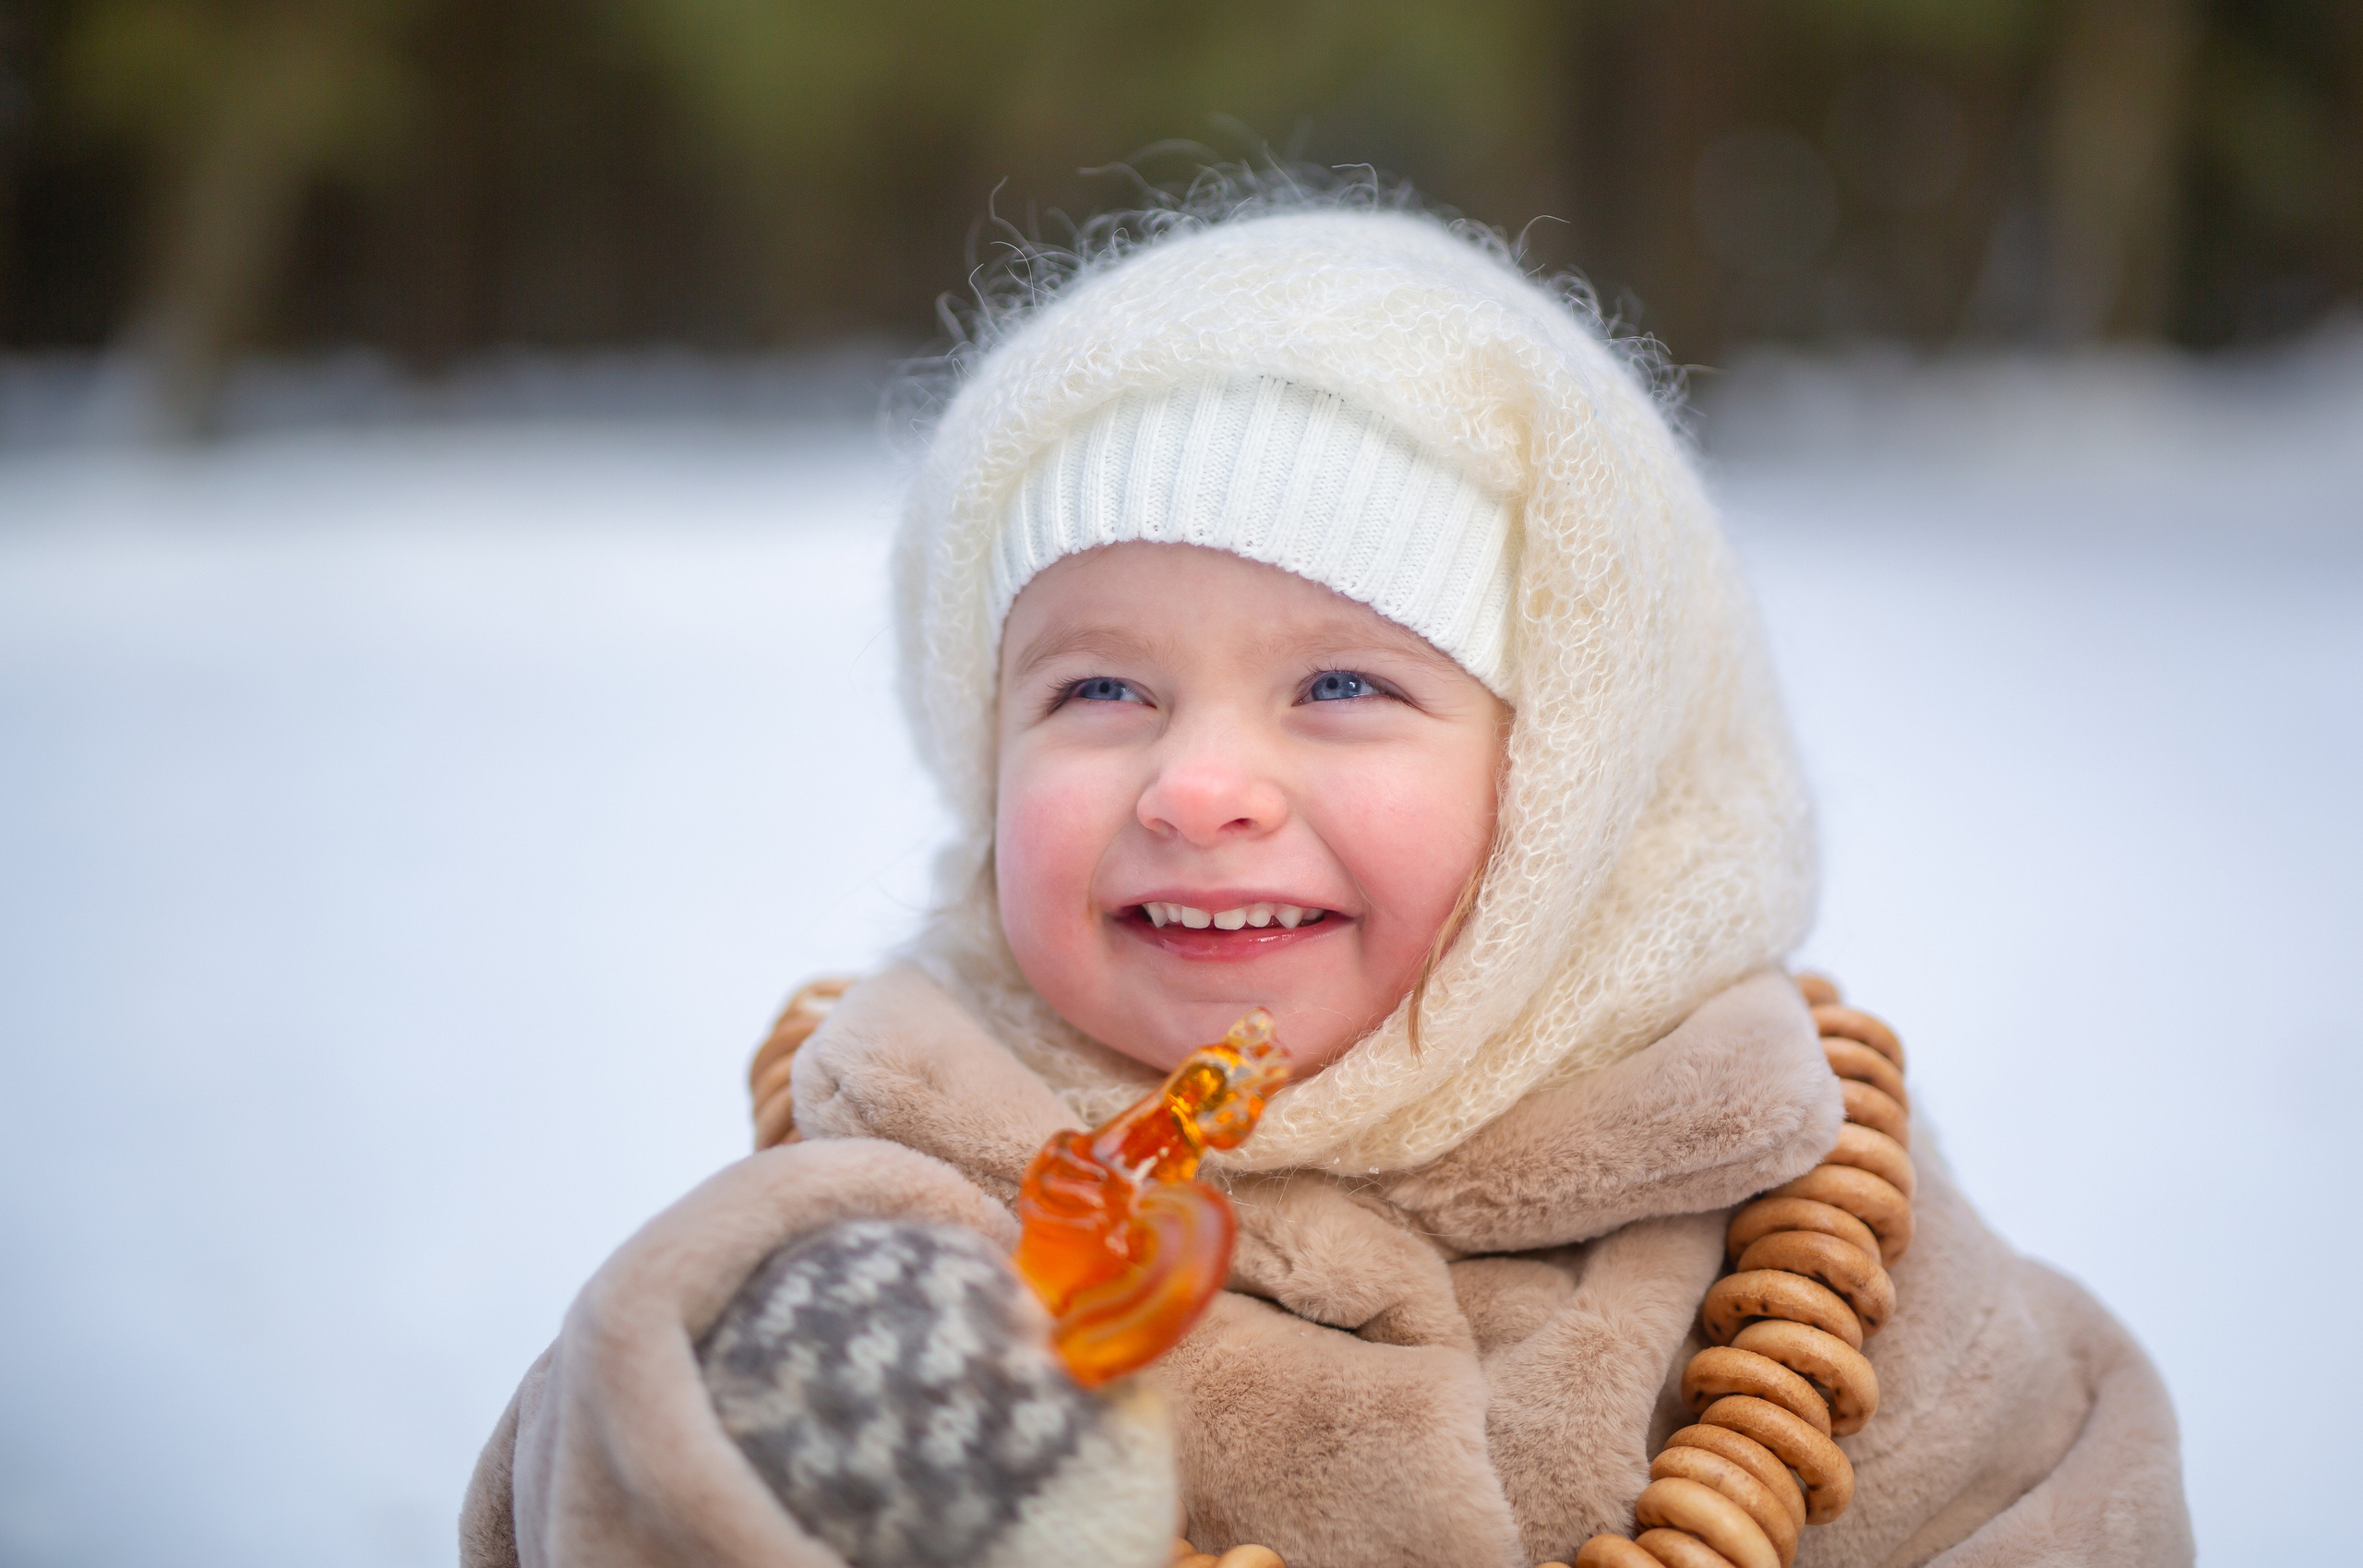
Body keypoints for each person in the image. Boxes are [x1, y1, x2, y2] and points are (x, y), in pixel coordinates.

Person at [461, 186, 2192, 1568]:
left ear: (1569, 777)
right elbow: (586, 1484)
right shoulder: (893, 1170)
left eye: (1344, 685)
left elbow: (2052, 1507)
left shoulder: (1786, 1193)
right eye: (1100, 691)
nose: (1199, 787)